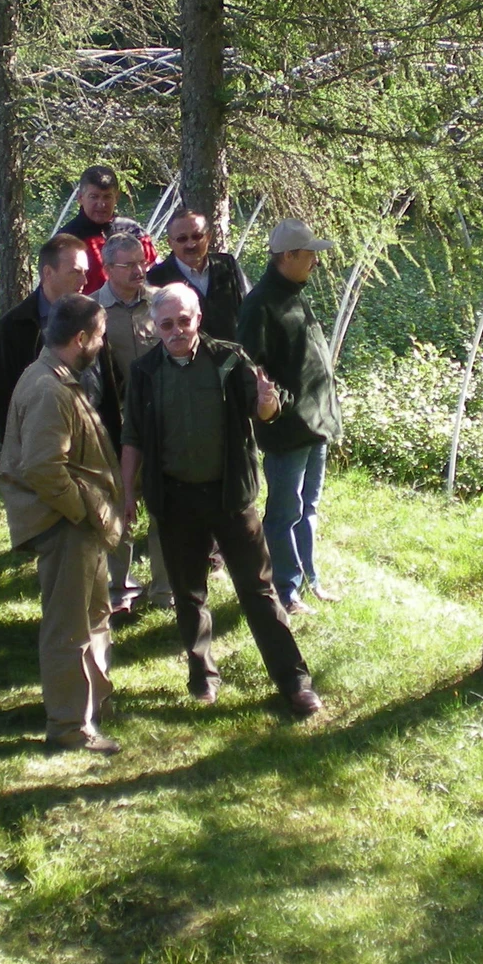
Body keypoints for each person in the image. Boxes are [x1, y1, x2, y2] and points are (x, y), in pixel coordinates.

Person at [122, 283, 322, 717]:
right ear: (154, 327)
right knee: (189, 593)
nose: (177, 330)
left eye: (184, 321)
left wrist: (268, 403)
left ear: (199, 318)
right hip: (174, 500)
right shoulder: (144, 372)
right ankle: (202, 676)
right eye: (167, 324)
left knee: (259, 590)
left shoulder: (229, 358)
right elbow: (133, 436)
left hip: (231, 498)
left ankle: (294, 681)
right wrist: (126, 491)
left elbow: (263, 408)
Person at [0, 294, 125, 754]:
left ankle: (92, 705)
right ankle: (69, 726)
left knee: (93, 617)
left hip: (78, 525)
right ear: (80, 339)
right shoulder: (50, 389)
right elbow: (43, 468)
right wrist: (82, 511)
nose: (102, 345)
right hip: (65, 526)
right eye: (100, 337)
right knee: (68, 629)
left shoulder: (58, 376)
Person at [237, 219, 343, 613]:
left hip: (314, 425)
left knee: (308, 507)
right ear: (288, 257)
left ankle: (308, 578)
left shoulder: (295, 294)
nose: (316, 261)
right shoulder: (261, 304)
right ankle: (284, 589)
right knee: (284, 511)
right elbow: (254, 370)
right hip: (288, 428)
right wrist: (277, 407)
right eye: (310, 253)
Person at [94, 232, 171, 611]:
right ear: (107, 269)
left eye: (142, 261)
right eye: (129, 264)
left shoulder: (160, 305)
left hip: (162, 424)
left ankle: (164, 589)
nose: (140, 269)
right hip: (117, 428)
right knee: (120, 505)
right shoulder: (93, 312)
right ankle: (120, 587)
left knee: (163, 503)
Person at [0, 234, 98, 439]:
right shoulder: (15, 325)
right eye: (75, 272)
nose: (84, 281)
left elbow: (106, 386)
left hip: (89, 443)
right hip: (38, 444)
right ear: (47, 273)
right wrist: (21, 443)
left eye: (85, 272)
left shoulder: (92, 319)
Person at [146, 210, 250, 342]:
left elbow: (249, 311)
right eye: (182, 239)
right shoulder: (156, 278)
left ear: (208, 237)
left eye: (197, 236)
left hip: (235, 356)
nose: (191, 245)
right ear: (170, 243)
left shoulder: (227, 265)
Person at [60, 165, 157, 295]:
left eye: (107, 197)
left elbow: (154, 276)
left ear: (116, 197)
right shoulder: (67, 240)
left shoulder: (134, 232)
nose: (101, 204)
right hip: (87, 312)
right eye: (94, 197)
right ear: (80, 198)